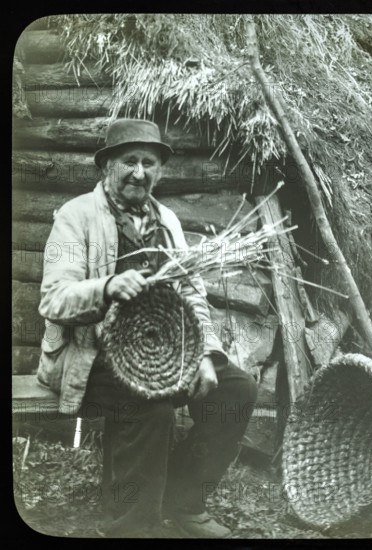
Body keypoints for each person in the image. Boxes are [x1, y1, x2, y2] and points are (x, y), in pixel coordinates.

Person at [37, 118, 258, 538]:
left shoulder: (167, 222)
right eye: (129, 161)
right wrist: (105, 287)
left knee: (236, 390)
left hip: (162, 353)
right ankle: (129, 525)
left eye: (149, 163)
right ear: (107, 166)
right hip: (91, 357)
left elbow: (192, 295)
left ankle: (183, 497)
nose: (140, 172)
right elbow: (53, 297)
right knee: (151, 408)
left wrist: (207, 354)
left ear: (160, 170)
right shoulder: (75, 217)